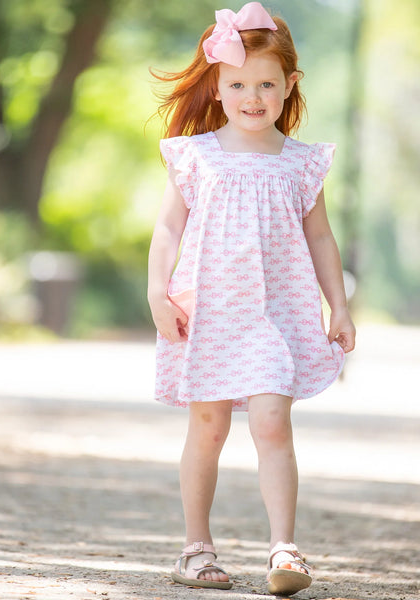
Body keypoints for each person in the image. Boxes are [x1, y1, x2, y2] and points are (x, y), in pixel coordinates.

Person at [147, 2, 356, 595]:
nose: (253, 96)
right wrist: (156, 291)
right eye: (238, 83)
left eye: (267, 84)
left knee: (271, 423)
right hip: (209, 313)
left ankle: (284, 550)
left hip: (275, 316)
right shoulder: (195, 156)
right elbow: (168, 229)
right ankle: (196, 548)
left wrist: (337, 305)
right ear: (217, 85)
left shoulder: (300, 163)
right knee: (208, 428)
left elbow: (321, 237)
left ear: (289, 86)